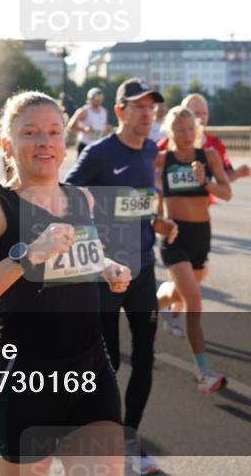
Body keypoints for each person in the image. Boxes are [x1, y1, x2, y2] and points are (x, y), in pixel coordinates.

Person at [0, 91, 130, 476]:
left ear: (65, 141)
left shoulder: (80, 199)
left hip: (90, 371)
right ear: (6, 144)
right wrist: (26, 257)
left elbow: (83, 255)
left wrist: (109, 267)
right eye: (30, 132)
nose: (44, 141)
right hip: (25, 381)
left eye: (53, 131)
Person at [64, 78, 179, 475]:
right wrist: (94, 245)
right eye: (138, 106)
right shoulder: (98, 154)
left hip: (143, 269)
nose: (147, 113)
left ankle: (131, 440)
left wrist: (158, 222)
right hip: (106, 275)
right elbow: (65, 198)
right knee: (108, 363)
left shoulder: (150, 150)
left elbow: (140, 203)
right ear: (119, 111)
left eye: (151, 107)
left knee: (145, 359)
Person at [154, 106, 231, 392]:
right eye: (179, 130)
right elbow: (152, 203)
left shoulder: (208, 156)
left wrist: (205, 182)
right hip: (175, 236)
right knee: (193, 302)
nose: (186, 135)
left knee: (178, 294)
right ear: (170, 132)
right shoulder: (162, 160)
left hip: (201, 236)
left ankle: (152, 308)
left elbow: (227, 193)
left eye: (190, 129)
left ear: (196, 130)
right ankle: (203, 373)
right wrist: (158, 222)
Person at [67, 87, 112, 155]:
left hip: (98, 145)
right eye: (96, 98)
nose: (99, 100)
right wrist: (84, 129)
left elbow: (104, 126)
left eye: (100, 98)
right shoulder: (83, 111)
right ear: (90, 98)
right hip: (85, 145)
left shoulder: (104, 111)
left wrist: (108, 129)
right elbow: (70, 126)